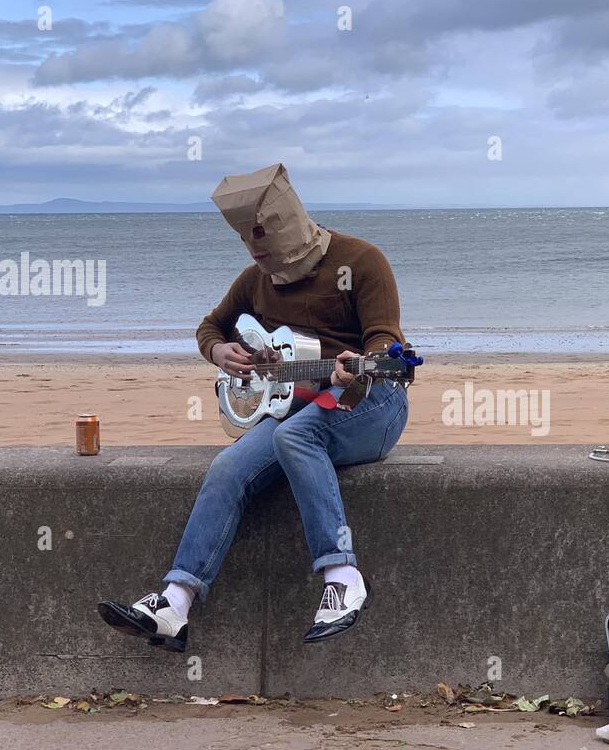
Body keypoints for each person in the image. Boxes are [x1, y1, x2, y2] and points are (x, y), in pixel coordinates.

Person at [99, 162, 409, 650]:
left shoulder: (363, 261)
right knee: (227, 468)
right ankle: (175, 603)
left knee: (295, 435)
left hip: (373, 400)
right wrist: (220, 351)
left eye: (272, 257)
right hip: (297, 405)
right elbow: (211, 327)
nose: (269, 271)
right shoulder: (255, 277)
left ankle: (343, 577)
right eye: (257, 256)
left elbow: (385, 339)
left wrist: (360, 364)